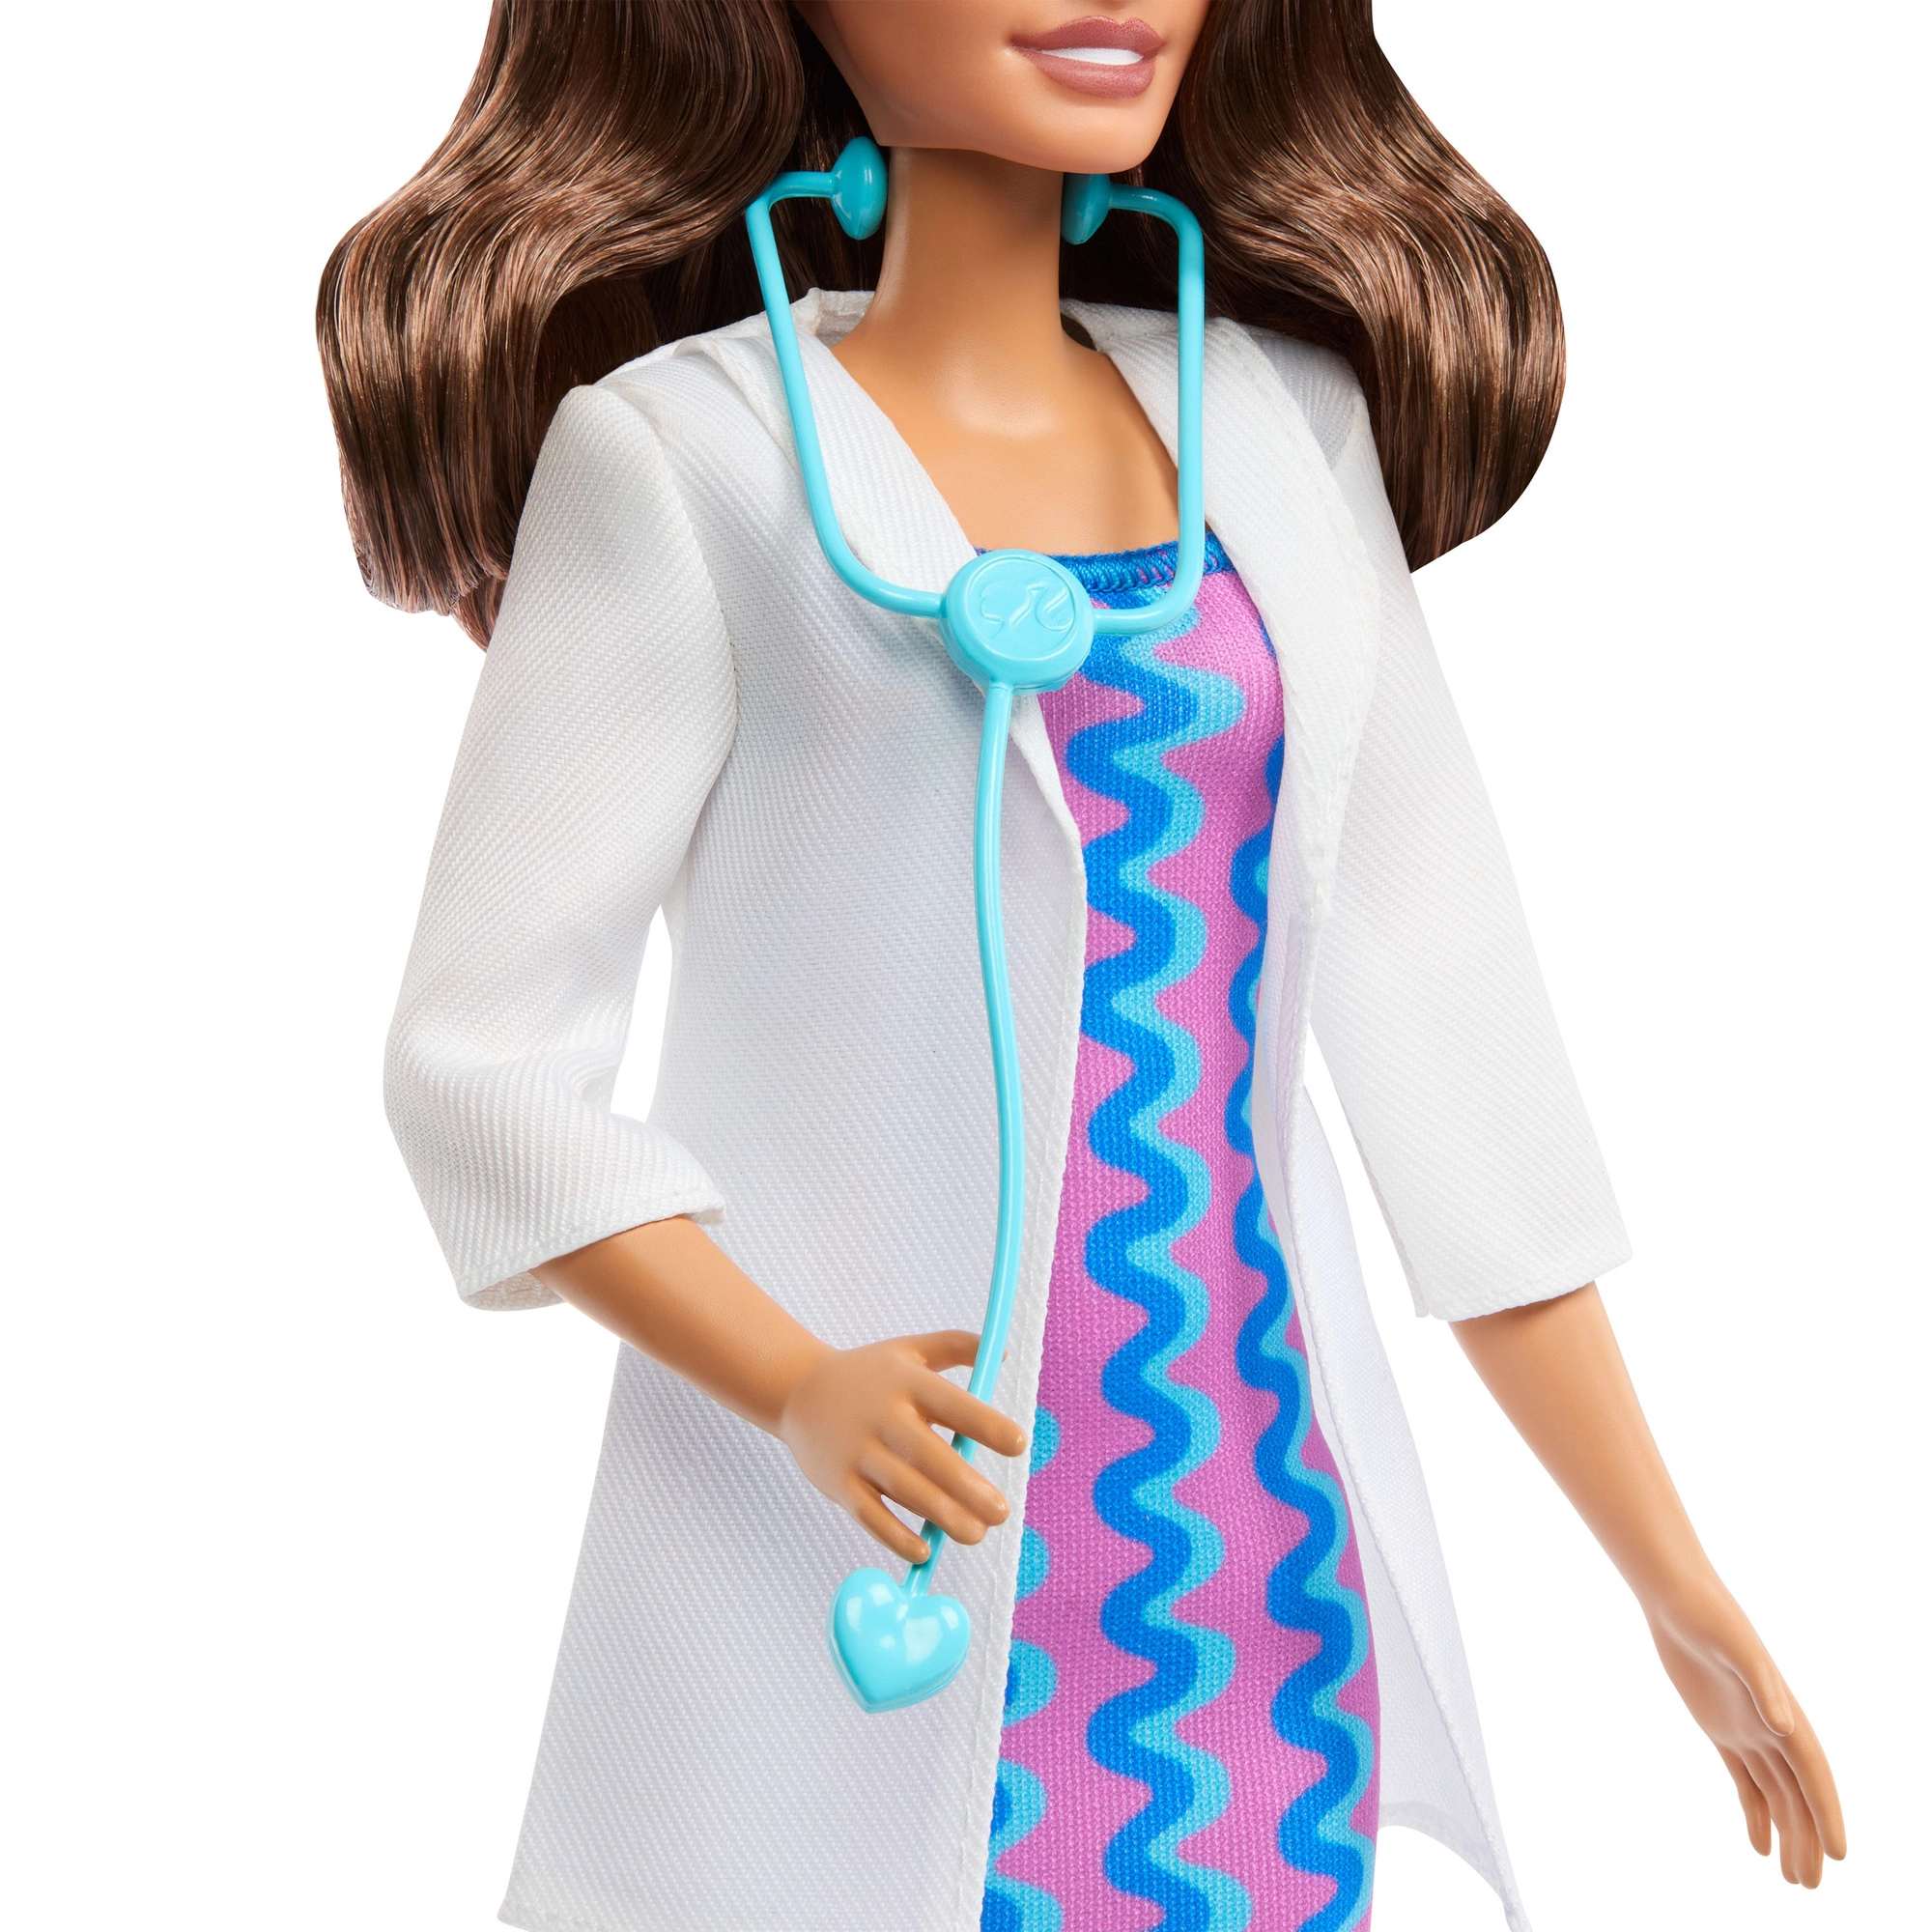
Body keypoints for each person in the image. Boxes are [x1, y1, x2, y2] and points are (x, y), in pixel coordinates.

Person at [319, 6, 1845, 1929]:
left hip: (1236, 1517)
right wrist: (795, 1384)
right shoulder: (688, 461)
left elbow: (1467, 1075)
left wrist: (1669, 1578)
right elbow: (480, 1067)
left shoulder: (1288, 434)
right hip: (877, 1530)